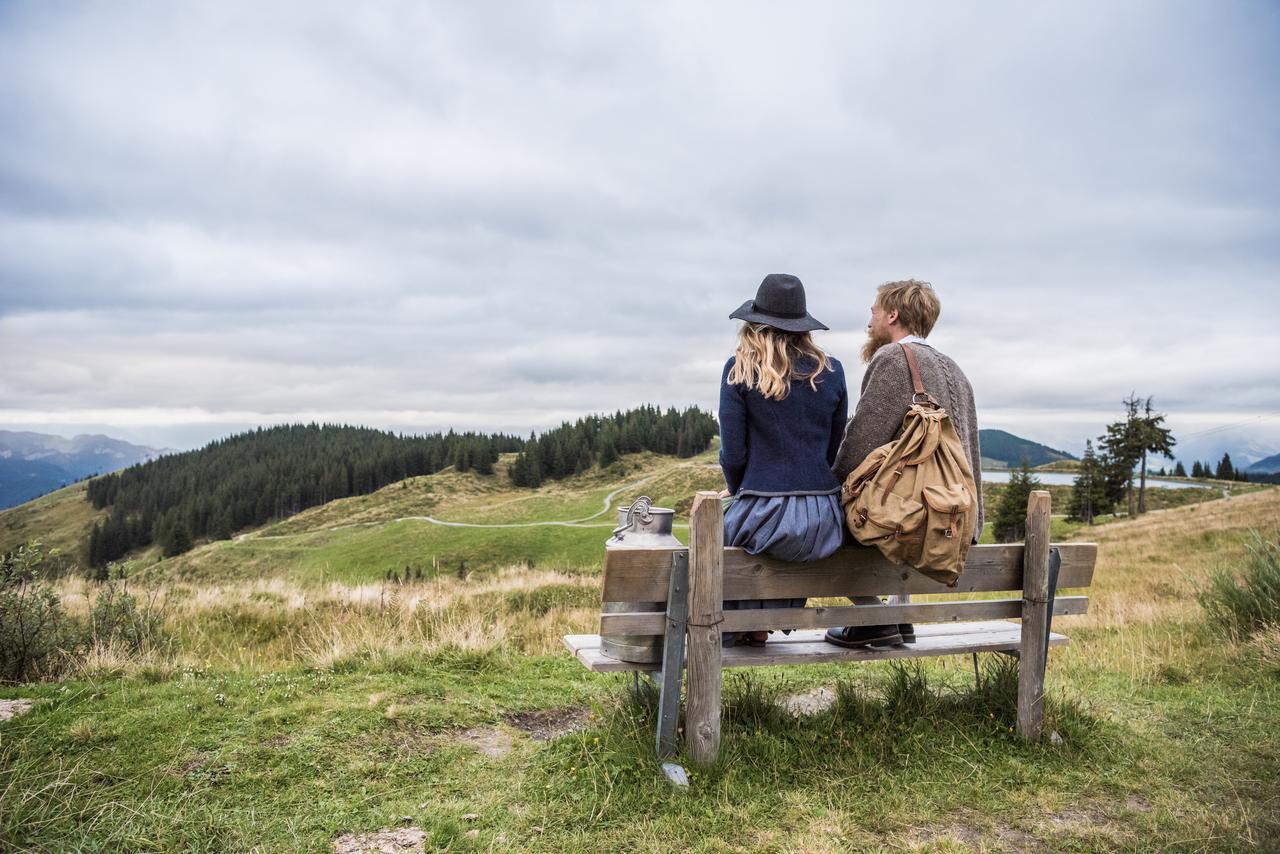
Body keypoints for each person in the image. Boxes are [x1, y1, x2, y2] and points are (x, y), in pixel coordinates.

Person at [825, 279, 984, 649]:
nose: (870, 319)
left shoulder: (894, 359)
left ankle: (876, 618)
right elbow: (970, 454)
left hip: (914, 522)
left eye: (874, 311)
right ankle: (899, 616)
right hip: (951, 521)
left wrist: (829, 486)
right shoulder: (956, 371)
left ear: (893, 315)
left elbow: (862, 442)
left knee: (825, 520)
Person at [718, 273, 849, 647]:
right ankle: (763, 622)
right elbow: (834, 449)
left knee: (723, 539)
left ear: (755, 324)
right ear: (802, 327)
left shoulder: (739, 370)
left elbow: (734, 454)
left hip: (765, 511)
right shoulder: (833, 371)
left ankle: (744, 626)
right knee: (782, 543)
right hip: (824, 520)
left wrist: (738, 490)